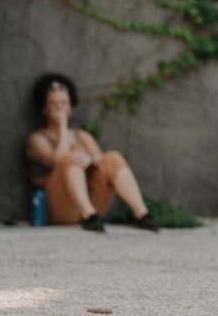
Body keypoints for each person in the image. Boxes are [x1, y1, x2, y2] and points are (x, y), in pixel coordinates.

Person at [24, 73, 159, 233]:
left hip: (93, 205)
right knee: (70, 158)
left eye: (64, 103)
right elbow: (58, 160)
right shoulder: (37, 139)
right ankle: (88, 215)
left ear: (70, 107)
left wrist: (89, 158)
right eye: (54, 104)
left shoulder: (82, 135)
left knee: (113, 158)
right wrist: (62, 126)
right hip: (60, 209)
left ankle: (142, 214)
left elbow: (100, 157)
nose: (60, 108)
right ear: (44, 109)